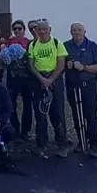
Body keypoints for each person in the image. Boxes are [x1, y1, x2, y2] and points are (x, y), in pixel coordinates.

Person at [28, 19, 69, 158]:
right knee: (40, 114)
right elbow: (31, 64)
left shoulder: (58, 44)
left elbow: (61, 64)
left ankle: (62, 144)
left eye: (44, 29)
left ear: (49, 30)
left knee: (57, 113)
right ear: (36, 31)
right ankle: (41, 144)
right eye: (39, 29)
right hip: (39, 81)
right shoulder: (33, 45)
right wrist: (42, 79)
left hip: (55, 81)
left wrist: (50, 79)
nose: (42, 31)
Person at [64, 22, 97, 158]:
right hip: (72, 85)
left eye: (79, 30)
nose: (77, 32)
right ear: (71, 32)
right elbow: (59, 63)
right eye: (74, 30)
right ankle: (82, 141)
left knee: (90, 114)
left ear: (84, 32)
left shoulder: (92, 46)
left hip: (88, 85)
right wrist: (66, 65)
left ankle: (94, 143)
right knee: (77, 114)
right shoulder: (66, 46)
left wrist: (84, 67)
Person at [5, 19, 34, 140]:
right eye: (14, 28)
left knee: (28, 104)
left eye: (19, 28)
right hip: (12, 77)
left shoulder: (29, 43)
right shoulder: (8, 42)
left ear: (24, 30)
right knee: (11, 104)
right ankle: (15, 129)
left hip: (26, 77)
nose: (17, 30)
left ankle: (25, 131)